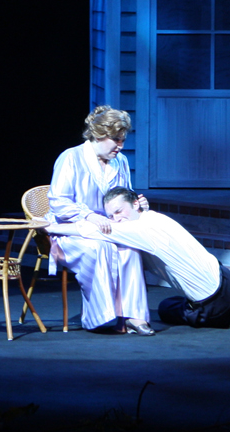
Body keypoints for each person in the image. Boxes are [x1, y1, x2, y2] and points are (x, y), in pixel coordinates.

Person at [51, 187, 230, 330]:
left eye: (119, 211)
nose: (115, 219)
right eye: (110, 216)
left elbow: (90, 230)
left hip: (212, 301)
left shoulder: (138, 230)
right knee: (181, 301)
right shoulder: (156, 217)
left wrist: (51, 227)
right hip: (228, 280)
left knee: (167, 307)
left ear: (135, 203)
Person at [47, 106, 153, 334]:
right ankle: (102, 315)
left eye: (122, 140)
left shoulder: (120, 162)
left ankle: (133, 316)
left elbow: (124, 197)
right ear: (98, 135)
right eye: (116, 140)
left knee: (130, 249)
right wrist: (89, 215)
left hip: (109, 230)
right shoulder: (71, 158)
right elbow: (58, 201)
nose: (120, 146)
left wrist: (137, 206)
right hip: (71, 230)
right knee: (100, 247)